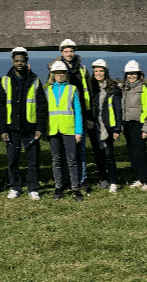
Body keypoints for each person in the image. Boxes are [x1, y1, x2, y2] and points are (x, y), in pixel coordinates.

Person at [0, 47, 48, 200]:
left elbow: (41, 106)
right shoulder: (5, 81)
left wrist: (39, 128)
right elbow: (0, 107)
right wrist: (3, 129)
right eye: (17, 61)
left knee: (33, 161)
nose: (19, 63)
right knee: (13, 160)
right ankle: (15, 187)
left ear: (27, 62)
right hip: (12, 129)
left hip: (31, 128)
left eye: (22, 61)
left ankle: (33, 188)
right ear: (12, 61)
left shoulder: (35, 81)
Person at [47, 39, 96, 191]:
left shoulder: (81, 69)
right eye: (66, 51)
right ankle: (66, 181)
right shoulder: (55, 68)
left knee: (78, 152)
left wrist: (89, 116)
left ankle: (80, 181)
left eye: (71, 51)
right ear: (61, 52)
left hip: (77, 115)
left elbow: (89, 92)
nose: (69, 54)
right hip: (60, 121)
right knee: (62, 155)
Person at [46, 61, 84, 201]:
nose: (59, 75)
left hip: (69, 129)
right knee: (56, 159)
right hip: (53, 129)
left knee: (72, 160)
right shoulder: (48, 90)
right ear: (53, 75)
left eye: (61, 73)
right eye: (57, 73)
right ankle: (58, 187)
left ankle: (75, 188)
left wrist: (78, 131)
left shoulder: (72, 89)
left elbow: (78, 112)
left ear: (65, 74)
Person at [120, 60, 147, 191]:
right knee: (132, 153)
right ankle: (139, 178)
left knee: (140, 154)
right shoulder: (125, 88)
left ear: (139, 74)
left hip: (139, 125)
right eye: (129, 74)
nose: (131, 76)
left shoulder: (146, 89)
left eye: (134, 73)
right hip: (128, 124)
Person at [90, 59, 123, 193]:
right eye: (96, 71)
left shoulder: (113, 89)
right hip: (94, 127)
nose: (98, 73)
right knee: (98, 155)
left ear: (105, 72)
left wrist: (117, 128)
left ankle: (114, 182)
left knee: (109, 155)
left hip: (108, 127)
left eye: (101, 71)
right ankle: (103, 179)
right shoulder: (91, 88)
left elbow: (118, 110)